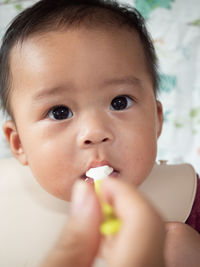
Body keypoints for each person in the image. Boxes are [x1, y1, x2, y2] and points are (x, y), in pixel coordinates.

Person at [0, 0, 199, 266]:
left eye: (120, 102)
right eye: (59, 112)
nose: (95, 132)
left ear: (157, 120)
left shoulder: (188, 199)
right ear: (19, 142)